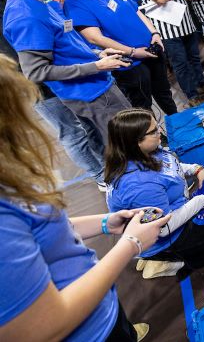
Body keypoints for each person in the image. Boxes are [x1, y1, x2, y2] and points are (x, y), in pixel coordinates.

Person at [0, 57, 166, 341]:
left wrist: (104, 223)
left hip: (99, 310)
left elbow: (35, 231)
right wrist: (131, 244)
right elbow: (44, 326)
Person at [2, 0, 131, 154]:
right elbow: (36, 72)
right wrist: (96, 66)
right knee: (126, 149)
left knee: (130, 141)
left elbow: (64, 45)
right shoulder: (24, 14)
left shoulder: (37, 3)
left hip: (96, 86)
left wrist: (96, 54)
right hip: (89, 94)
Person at [0, 0, 106, 189]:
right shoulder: (15, 8)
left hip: (62, 74)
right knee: (71, 132)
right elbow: (21, 60)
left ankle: (106, 168)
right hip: (39, 84)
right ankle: (101, 175)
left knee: (87, 126)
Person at [105, 108, 204, 278]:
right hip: (166, 235)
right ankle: (172, 260)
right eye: (154, 131)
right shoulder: (138, 186)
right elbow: (163, 228)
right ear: (136, 142)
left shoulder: (145, 151)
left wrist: (196, 169)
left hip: (175, 204)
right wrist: (200, 202)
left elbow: (169, 167)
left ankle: (156, 257)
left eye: (157, 126)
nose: (160, 133)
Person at [62, 0, 177, 115]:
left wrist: (155, 33)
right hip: (130, 63)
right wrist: (133, 52)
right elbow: (95, 38)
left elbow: (136, 11)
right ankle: (155, 139)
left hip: (151, 49)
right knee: (142, 107)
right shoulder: (74, 2)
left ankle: (180, 126)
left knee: (164, 93)